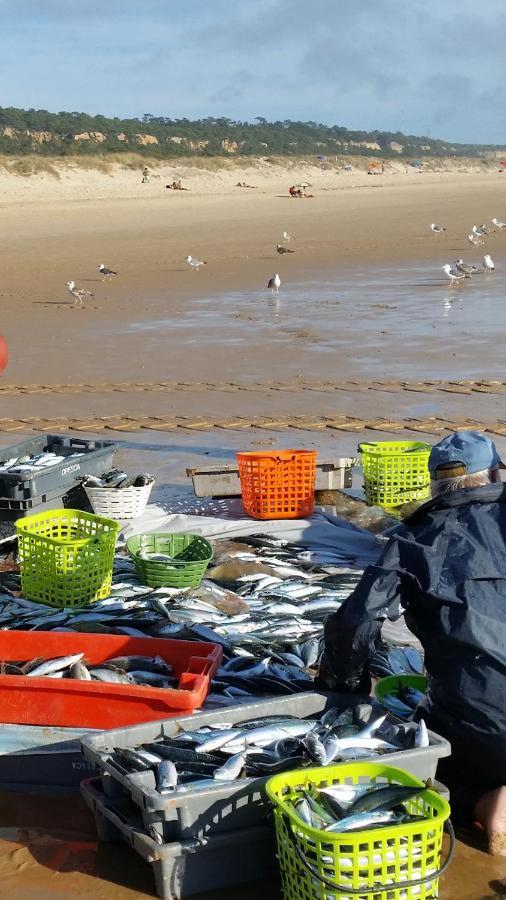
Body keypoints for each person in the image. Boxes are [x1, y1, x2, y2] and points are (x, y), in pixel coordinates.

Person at [318, 431, 506, 855]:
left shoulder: (415, 537)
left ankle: (484, 800)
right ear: (496, 473)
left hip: (486, 730)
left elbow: (355, 622)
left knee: (418, 768)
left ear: (434, 485)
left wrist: (344, 687)